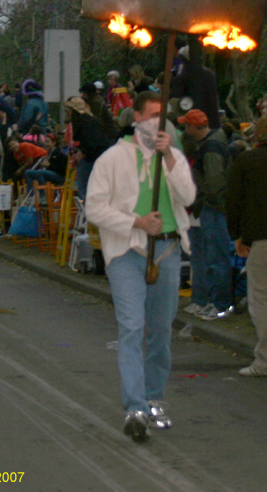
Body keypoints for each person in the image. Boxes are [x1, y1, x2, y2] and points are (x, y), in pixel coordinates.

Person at [86, 92, 196, 441]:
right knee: (132, 326)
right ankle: (134, 406)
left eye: (163, 117)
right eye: (151, 116)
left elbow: (189, 198)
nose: (157, 123)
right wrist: (135, 222)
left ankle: (153, 398)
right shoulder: (112, 159)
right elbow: (94, 208)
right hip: (126, 253)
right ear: (135, 118)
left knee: (160, 331)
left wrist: (169, 158)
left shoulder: (173, 156)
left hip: (167, 250)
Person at [178, 109, 234, 321]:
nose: (185, 129)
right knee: (213, 257)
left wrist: (206, 201)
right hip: (212, 206)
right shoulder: (212, 143)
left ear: (193, 127)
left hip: (214, 208)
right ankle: (215, 301)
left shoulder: (210, 148)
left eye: (186, 126)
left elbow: (214, 182)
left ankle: (220, 305)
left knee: (216, 258)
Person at [226, 116, 267, 376]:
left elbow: (234, 200)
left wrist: (237, 236)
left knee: (260, 298)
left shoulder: (247, 161)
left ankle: (264, 360)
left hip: (261, 237)